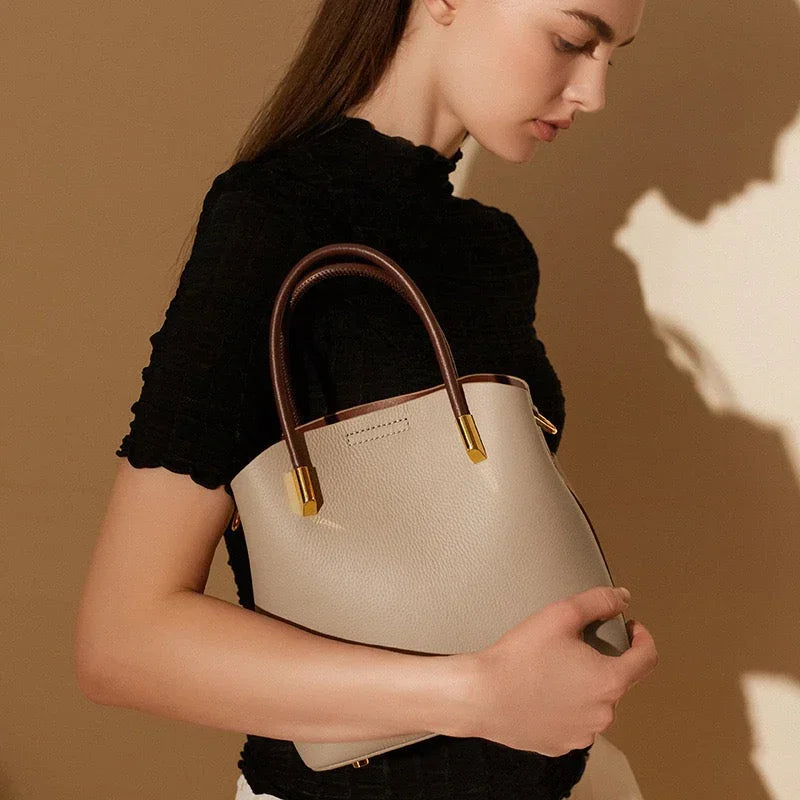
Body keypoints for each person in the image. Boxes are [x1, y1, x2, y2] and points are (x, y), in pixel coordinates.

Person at [73, 0, 658, 798]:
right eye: (571, 39)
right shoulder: (273, 221)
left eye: (611, 57)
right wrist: (478, 697)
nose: (593, 91)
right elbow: (123, 642)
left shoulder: (491, 251)